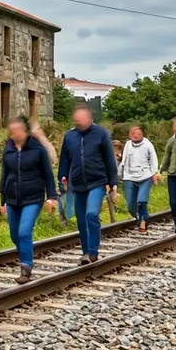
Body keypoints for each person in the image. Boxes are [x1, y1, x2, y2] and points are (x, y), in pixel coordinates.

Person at [0, 116, 58, 283]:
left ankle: (26, 267)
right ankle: (26, 252)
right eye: (12, 130)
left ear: (25, 131)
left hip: (33, 197)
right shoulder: (8, 149)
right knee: (14, 234)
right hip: (12, 198)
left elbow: (47, 173)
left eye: (18, 130)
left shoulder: (37, 149)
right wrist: (2, 200)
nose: (15, 133)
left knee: (24, 231)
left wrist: (52, 196)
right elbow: (5, 174)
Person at [58, 105, 118, 264]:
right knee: (81, 219)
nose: (78, 122)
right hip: (77, 183)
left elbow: (109, 159)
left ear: (90, 118)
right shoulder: (70, 136)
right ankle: (85, 252)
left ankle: (93, 251)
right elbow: (64, 159)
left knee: (91, 214)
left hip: (97, 181)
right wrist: (62, 177)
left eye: (81, 119)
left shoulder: (101, 134)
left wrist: (113, 183)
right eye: (76, 119)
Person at [119, 125, 158, 232]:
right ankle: (139, 216)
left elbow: (153, 159)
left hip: (145, 176)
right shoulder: (128, 145)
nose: (135, 136)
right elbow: (124, 161)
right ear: (130, 135)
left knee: (141, 201)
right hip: (130, 177)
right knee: (131, 204)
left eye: (138, 134)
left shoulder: (148, 145)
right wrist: (120, 174)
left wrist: (154, 173)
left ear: (142, 135)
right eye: (133, 134)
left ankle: (143, 220)